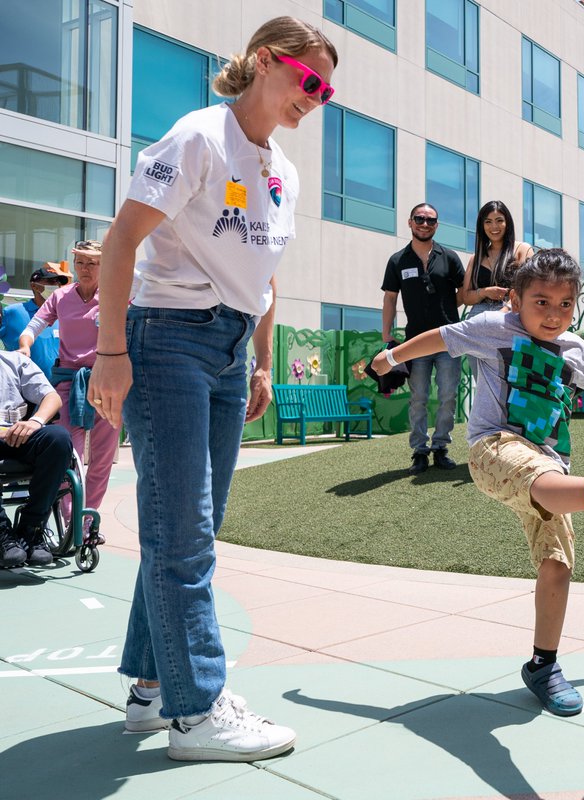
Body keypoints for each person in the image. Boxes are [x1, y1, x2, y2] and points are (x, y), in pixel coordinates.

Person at [88, 16, 337, 762]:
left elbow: (266, 276)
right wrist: (111, 352)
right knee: (183, 532)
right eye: (308, 80)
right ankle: (197, 715)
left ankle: (151, 690)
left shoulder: (282, 171)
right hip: (168, 340)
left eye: (325, 90)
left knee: (189, 526)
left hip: (230, 352)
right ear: (265, 61)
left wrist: (261, 362)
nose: (315, 98)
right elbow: (122, 240)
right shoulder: (198, 136)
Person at [370, 249, 584, 716]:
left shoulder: (576, 349)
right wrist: (391, 357)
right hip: (494, 450)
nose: (553, 315)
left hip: (550, 464)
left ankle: (542, 666)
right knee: (544, 477)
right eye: (541, 302)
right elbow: (439, 338)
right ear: (514, 300)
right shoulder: (494, 328)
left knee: (558, 563)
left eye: (565, 304)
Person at [19, 240, 119, 541]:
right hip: (67, 382)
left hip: (107, 384)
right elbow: (35, 325)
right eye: (80, 263)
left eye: (93, 262)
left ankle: (87, 523)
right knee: (68, 455)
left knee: (101, 458)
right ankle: (70, 519)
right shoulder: (61, 296)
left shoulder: (115, 296)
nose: (85, 269)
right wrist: (25, 344)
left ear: (104, 265)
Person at [381, 203, 466, 474]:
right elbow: (390, 298)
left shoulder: (450, 257)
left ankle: (440, 446)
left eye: (431, 220)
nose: (425, 224)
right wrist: (387, 335)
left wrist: (447, 310)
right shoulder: (398, 260)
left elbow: (464, 292)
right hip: (414, 342)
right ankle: (419, 450)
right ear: (410, 222)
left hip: (448, 341)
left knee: (448, 395)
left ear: (437, 225)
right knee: (418, 397)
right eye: (420, 219)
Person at [0, 350, 74, 569]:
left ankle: (31, 528)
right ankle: (2, 532)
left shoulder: (15, 361)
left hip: (19, 435)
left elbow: (52, 397)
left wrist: (35, 421)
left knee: (58, 438)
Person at [457, 200, 534, 319]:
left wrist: (505, 310)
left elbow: (529, 288)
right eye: (488, 222)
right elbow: (466, 297)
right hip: (478, 316)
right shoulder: (476, 258)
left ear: (507, 223)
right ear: (482, 226)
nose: (494, 226)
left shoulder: (522, 249)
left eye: (499, 220)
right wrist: (485, 291)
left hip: (511, 314)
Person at [2, 261, 70, 377]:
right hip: (22, 387)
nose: (55, 285)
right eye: (50, 281)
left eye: (58, 282)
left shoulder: (63, 314)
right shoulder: (13, 312)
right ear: (34, 286)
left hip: (57, 386)